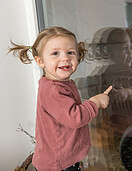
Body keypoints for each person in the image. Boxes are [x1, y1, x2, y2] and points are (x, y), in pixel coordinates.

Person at [8, 26, 112, 171]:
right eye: (55, 53)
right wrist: (96, 102)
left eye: (70, 52)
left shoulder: (60, 84)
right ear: (40, 61)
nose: (65, 58)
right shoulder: (53, 90)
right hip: (57, 164)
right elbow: (75, 117)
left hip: (63, 159)